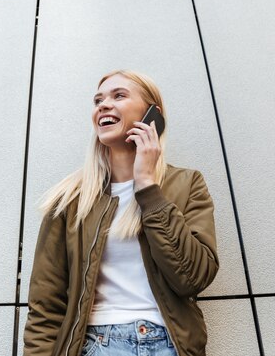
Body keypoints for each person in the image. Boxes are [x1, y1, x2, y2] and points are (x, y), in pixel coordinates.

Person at [23, 69, 220, 356]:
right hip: (96, 346)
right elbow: (45, 304)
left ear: (153, 113)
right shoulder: (69, 199)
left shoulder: (186, 184)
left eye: (119, 96)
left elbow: (192, 277)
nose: (103, 105)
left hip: (170, 346)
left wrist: (147, 187)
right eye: (98, 100)